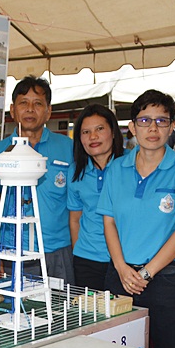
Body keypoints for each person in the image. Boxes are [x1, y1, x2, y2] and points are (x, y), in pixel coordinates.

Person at [97, 90, 175, 348]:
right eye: (144, 121)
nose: (153, 128)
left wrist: (146, 273)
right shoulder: (116, 169)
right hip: (120, 277)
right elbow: (109, 223)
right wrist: (121, 267)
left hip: (167, 280)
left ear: (171, 125)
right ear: (132, 127)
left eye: (161, 121)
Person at [0, 75, 74, 282]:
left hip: (57, 251)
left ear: (48, 111)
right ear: (13, 110)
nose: (30, 109)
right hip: (12, 251)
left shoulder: (69, 148)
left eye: (38, 103)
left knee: (61, 303)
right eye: (23, 103)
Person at [67, 104, 125, 291]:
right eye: (86, 132)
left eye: (100, 129)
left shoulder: (131, 164)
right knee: (90, 310)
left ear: (113, 132)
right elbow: (75, 218)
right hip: (87, 260)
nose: (93, 137)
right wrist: (78, 251)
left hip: (126, 259)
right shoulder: (76, 171)